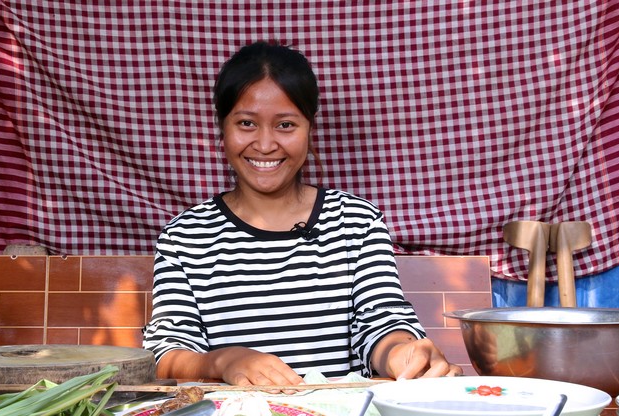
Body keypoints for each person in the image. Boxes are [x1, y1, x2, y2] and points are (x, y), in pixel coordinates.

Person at [143, 41, 461, 386]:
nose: (265, 145)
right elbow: (166, 355)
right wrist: (223, 360)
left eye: (285, 125)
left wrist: (401, 353)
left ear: (310, 129)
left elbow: (381, 323)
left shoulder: (356, 222)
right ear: (223, 129)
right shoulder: (185, 238)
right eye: (246, 123)